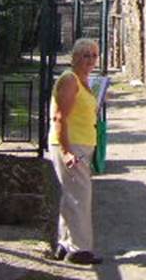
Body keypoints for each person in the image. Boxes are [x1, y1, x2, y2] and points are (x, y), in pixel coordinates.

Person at [48, 37, 104, 265]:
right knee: (80, 196)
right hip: (71, 145)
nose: (90, 60)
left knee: (71, 196)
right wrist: (67, 151)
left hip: (80, 145)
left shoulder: (83, 81)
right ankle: (80, 249)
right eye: (85, 55)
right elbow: (59, 117)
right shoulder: (70, 80)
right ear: (75, 57)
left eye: (94, 55)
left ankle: (65, 244)